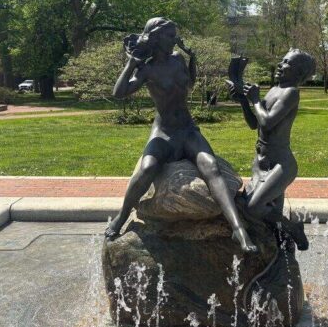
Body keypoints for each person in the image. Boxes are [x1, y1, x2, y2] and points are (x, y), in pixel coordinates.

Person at [105, 17, 258, 253]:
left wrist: (193, 58)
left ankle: (238, 229)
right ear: (155, 38)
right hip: (164, 133)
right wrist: (132, 63)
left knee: (211, 166)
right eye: (170, 35)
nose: (175, 39)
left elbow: (188, 84)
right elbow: (119, 93)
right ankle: (121, 215)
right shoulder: (147, 69)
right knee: (147, 169)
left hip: (187, 130)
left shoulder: (178, 59)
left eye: (175, 34)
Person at [228, 49, 315, 250]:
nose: (280, 65)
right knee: (267, 217)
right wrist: (243, 100)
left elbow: (268, 123)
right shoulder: (275, 89)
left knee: (253, 207)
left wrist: (256, 100)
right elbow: (255, 124)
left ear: (298, 72)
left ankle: (294, 228)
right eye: (282, 61)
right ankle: (279, 256)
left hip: (281, 164)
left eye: (286, 63)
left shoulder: (291, 93)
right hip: (261, 162)